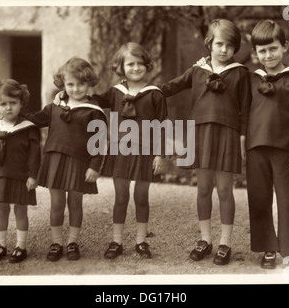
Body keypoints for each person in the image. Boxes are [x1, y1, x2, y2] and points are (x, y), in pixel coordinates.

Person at [160, 19, 252, 265]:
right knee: (203, 189)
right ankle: (205, 239)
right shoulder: (197, 70)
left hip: (227, 135)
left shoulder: (240, 72)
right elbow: (172, 86)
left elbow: (246, 108)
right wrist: (147, 91)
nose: (224, 50)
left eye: (230, 46)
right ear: (209, 44)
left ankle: (225, 242)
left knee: (224, 189)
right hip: (200, 135)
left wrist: (243, 138)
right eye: (220, 44)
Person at [24, 57, 107, 261]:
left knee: (75, 203)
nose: (76, 88)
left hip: (80, 162)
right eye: (70, 84)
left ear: (89, 84)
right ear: (63, 83)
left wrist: (95, 167)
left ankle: (72, 242)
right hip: (55, 160)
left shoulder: (94, 111)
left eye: (81, 84)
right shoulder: (54, 107)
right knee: (57, 203)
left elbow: (99, 142)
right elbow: (33, 121)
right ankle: (56, 242)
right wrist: (14, 116)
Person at [246, 20, 289, 273]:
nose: (268, 55)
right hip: (256, 148)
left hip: (285, 150)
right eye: (262, 51)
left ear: (284, 46)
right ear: (255, 53)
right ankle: (268, 248)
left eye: (273, 48)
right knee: (259, 199)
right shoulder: (251, 79)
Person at [92, 42, 167, 259]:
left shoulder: (155, 94)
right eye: (130, 64)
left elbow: (163, 125)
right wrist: (71, 94)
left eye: (140, 63)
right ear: (121, 67)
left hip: (145, 152)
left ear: (147, 65)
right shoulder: (116, 92)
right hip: (121, 151)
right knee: (121, 197)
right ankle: (116, 241)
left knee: (141, 197)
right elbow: (95, 101)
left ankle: (141, 242)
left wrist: (160, 154)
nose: (135, 68)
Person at [0, 79, 41, 263]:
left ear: (21, 103)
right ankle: (1, 245)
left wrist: (33, 175)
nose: (8, 108)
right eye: (3, 103)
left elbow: (35, 155)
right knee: (1, 210)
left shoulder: (28, 129)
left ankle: (21, 246)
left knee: (21, 211)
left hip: (21, 177)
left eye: (13, 103)